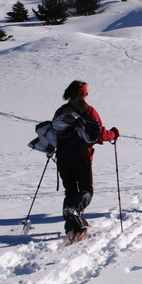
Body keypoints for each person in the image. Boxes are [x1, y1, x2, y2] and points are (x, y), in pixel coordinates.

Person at [53, 80, 118, 240]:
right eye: (86, 92)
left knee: (70, 191)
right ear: (82, 93)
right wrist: (114, 134)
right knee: (86, 191)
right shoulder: (88, 110)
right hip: (81, 157)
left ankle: (72, 224)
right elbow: (99, 134)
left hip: (62, 157)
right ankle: (74, 213)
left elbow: (54, 132)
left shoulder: (61, 112)